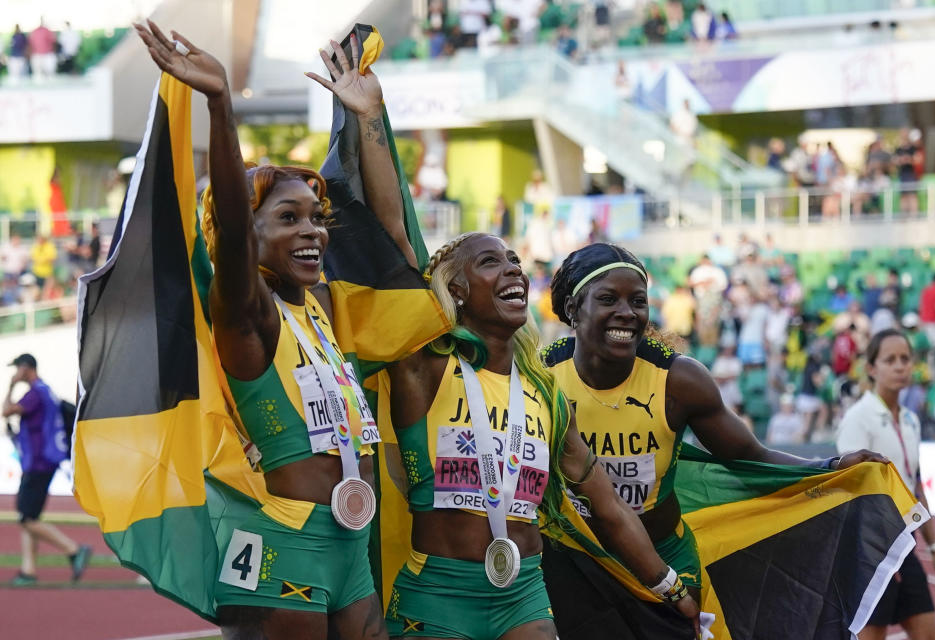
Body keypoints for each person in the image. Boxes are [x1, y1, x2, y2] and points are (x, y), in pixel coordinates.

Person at [134, 20, 418, 638]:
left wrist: (370, 118)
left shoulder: (320, 308)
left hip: (350, 544)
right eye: (288, 218)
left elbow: (391, 236)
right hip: (280, 542)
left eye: (316, 219)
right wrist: (219, 104)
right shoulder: (247, 313)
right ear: (253, 238)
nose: (313, 231)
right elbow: (233, 233)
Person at [541, 244, 885, 627]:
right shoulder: (541, 379)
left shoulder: (679, 381)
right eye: (608, 299)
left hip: (665, 557)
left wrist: (831, 466)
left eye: (638, 301)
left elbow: (749, 455)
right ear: (573, 308)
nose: (626, 312)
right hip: (577, 557)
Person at [383, 233, 700, 639]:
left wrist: (671, 589)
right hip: (438, 594)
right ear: (456, 289)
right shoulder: (424, 368)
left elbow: (609, 509)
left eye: (514, 260)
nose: (513, 267)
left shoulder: (547, 395)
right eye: (490, 262)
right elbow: (390, 247)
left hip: (524, 596)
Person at [836, 329, 935, 640]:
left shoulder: (911, 420)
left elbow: (917, 489)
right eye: (890, 360)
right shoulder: (858, 418)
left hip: (904, 548)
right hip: (870, 555)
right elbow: (851, 492)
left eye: (905, 359)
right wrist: (878, 553)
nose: (900, 366)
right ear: (872, 369)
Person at [3, 354, 92, 586]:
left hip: (38, 461)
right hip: (44, 460)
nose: (16, 373)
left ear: (26, 368)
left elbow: (6, 411)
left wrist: (11, 387)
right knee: (28, 516)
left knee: (27, 518)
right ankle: (28, 569)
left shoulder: (35, 393)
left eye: (18, 368)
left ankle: (73, 549)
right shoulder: (45, 390)